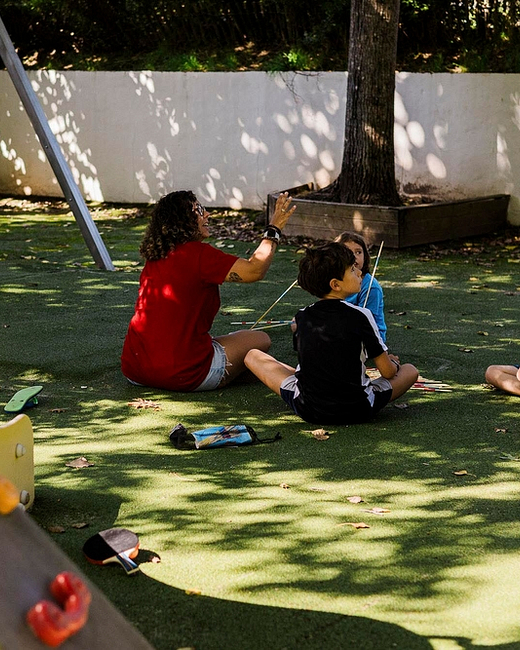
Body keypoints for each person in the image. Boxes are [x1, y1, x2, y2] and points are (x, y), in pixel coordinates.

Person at [121, 190, 296, 392]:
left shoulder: (157, 255)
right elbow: (254, 270)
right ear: (183, 220)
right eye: (199, 210)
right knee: (260, 339)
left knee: (244, 348)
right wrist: (273, 230)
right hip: (183, 373)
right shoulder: (198, 254)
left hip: (135, 369)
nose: (207, 215)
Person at [244, 242, 418, 425]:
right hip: (357, 408)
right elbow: (388, 372)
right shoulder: (362, 315)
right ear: (335, 284)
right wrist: (395, 364)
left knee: (252, 355)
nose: (359, 273)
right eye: (352, 270)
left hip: (308, 408)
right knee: (410, 370)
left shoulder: (302, 316)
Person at [334, 231, 386, 342]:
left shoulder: (371, 287)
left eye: (358, 252)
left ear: (365, 256)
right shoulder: (335, 280)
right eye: (347, 252)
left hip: (368, 337)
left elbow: (366, 323)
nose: (354, 257)